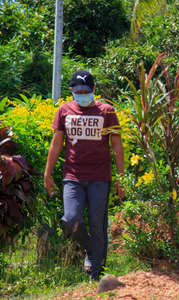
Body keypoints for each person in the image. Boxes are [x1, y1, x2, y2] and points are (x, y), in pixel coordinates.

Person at [44, 70, 125, 281]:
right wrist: (48, 173)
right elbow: (56, 144)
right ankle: (90, 251)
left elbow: (117, 145)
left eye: (86, 91)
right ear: (71, 91)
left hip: (100, 176)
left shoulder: (107, 112)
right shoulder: (64, 110)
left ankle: (97, 275)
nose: (82, 94)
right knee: (71, 219)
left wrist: (121, 177)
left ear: (94, 90)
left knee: (98, 223)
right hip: (73, 175)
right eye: (78, 91)